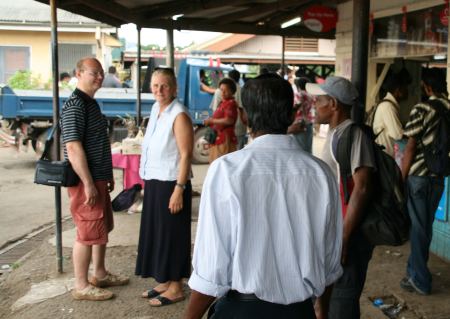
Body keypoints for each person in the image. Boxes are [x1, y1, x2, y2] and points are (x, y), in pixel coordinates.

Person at [184, 74, 343, 319]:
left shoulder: (226, 170)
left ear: (245, 116)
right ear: (292, 115)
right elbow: (330, 260)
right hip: (299, 311)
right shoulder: (321, 174)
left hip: (241, 310)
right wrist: (321, 311)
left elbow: (212, 269)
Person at [306, 76, 376, 319]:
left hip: (350, 235)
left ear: (333, 104)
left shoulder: (353, 135)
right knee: (329, 298)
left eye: (319, 101)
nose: (315, 106)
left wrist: (344, 237)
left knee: (343, 301)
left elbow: (363, 187)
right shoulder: (336, 134)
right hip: (336, 232)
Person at [61, 57, 129, 301]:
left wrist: (106, 176)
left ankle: (99, 274)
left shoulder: (90, 103)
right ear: (79, 74)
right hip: (84, 181)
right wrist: (89, 183)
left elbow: (98, 144)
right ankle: (81, 285)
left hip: (97, 178)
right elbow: (73, 147)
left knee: (101, 227)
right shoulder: (75, 105)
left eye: (101, 72)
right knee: (86, 232)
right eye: (94, 72)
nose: (100, 77)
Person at [136, 68, 194, 307]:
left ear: (174, 88)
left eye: (165, 86)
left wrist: (179, 189)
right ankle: (165, 280)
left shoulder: (178, 114)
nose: (159, 90)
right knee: (157, 233)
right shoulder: (156, 109)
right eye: (155, 85)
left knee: (172, 235)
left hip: (172, 183)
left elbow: (186, 154)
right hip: (155, 180)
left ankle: (177, 286)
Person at [400, 68, 449, 296]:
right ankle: (413, 272)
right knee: (424, 227)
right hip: (439, 177)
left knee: (418, 229)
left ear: (427, 87)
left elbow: (410, 145)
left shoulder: (423, 108)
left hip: (419, 177)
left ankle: (420, 279)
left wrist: (401, 175)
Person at [372, 69, 411, 157]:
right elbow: (397, 134)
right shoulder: (388, 106)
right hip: (384, 156)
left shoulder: (389, 105)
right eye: (405, 88)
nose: (407, 91)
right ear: (398, 90)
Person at [209, 69, 247, 150]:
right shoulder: (243, 90)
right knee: (237, 153)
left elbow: (215, 110)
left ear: (229, 77)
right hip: (240, 128)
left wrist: (213, 123)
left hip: (223, 130)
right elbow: (244, 109)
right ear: (238, 78)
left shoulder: (219, 90)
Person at [203, 78, 238, 162]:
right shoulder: (223, 103)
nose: (222, 93)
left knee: (220, 165)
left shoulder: (230, 104)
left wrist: (212, 121)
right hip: (218, 139)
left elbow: (229, 120)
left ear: (232, 91)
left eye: (225, 90)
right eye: (221, 90)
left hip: (224, 140)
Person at [287, 77, 315, 153]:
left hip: (299, 123)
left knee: (299, 148)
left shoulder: (299, 95)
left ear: (298, 85)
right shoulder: (311, 95)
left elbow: (296, 105)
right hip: (309, 122)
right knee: (308, 146)